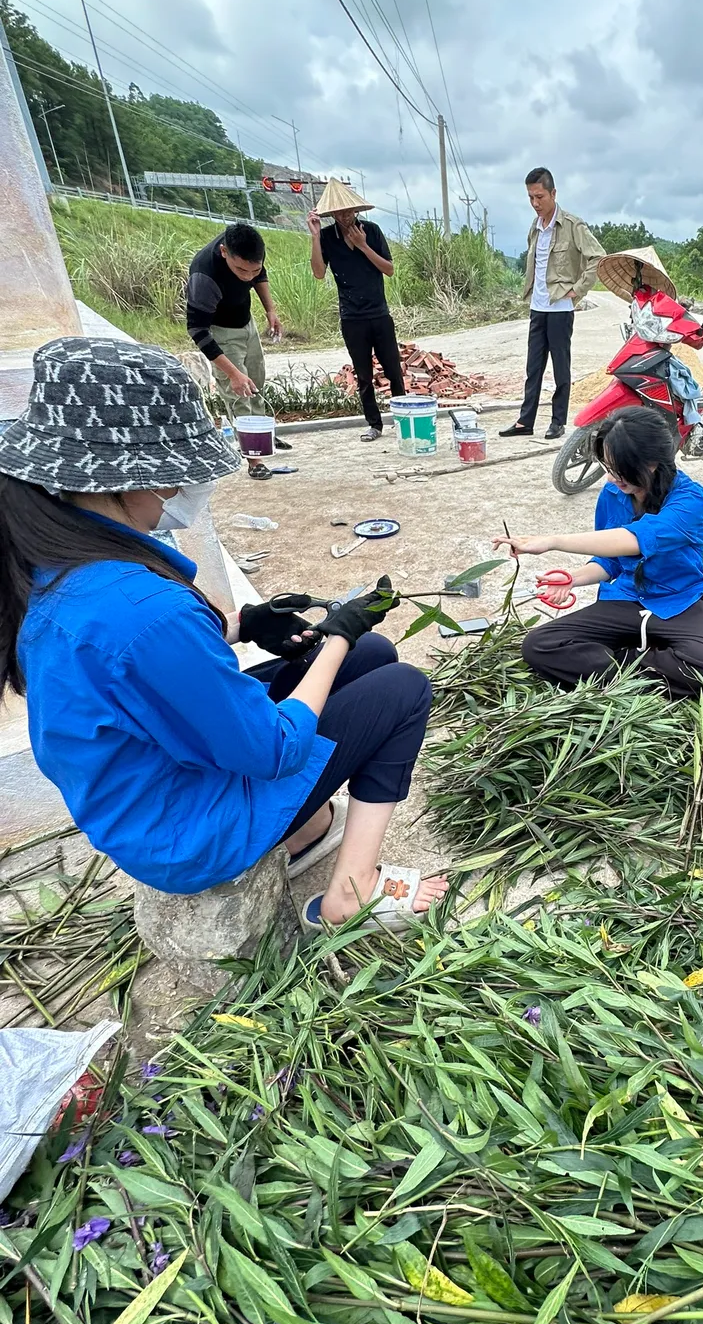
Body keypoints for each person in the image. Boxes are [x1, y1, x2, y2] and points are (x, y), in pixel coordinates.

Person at [0, 336, 447, 930]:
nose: (178, 491)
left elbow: (136, 671)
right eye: (171, 476)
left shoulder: (57, 558)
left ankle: (297, 830)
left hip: (148, 789)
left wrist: (243, 626)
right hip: (187, 832)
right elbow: (273, 749)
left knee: (371, 653)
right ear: (129, 477)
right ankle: (352, 891)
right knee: (401, 687)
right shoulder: (141, 609)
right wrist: (336, 633)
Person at [497, 407, 703, 699]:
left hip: (678, 602)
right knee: (539, 644)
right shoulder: (613, 494)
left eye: (620, 470)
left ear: (651, 463)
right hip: (624, 601)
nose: (611, 479)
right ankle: (640, 669)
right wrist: (572, 578)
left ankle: (618, 664)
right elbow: (610, 562)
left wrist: (553, 541)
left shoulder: (689, 499)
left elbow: (632, 541)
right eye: (608, 468)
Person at [500, 167, 604, 442]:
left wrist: (577, 290)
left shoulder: (572, 225)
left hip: (560, 309)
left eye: (540, 197)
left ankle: (558, 422)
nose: (535, 203)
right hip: (538, 307)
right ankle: (526, 420)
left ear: (553, 193)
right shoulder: (534, 228)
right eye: (531, 198)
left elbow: (597, 258)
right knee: (533, 367)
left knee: (560, 367)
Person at [186, 222, 290, 482]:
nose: (247, 276)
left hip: (246, 322)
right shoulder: (204, 276)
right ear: (224, 252)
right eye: (241, 270)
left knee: (256, 379)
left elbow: (259, 274)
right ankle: (254, 458)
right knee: (239, 390)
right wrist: (231, 373)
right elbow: (197, 331)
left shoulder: (248, 250)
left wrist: (270, 310)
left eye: (252, 269)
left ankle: (262, 434)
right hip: (220, 331)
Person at [307, 179, 405, 444]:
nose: (345, 216)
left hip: (379, 314)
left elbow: (389, 269)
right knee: (364, 375)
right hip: (352, 317)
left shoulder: (371, 232)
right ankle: (374, 424)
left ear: (356, 210)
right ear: (332, 215)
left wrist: (363, 246)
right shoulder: (327, 237)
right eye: (339, 213)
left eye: (348, 211)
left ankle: (402, 420)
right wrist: (315, 237)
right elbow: (318, 272)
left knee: (393, 370)